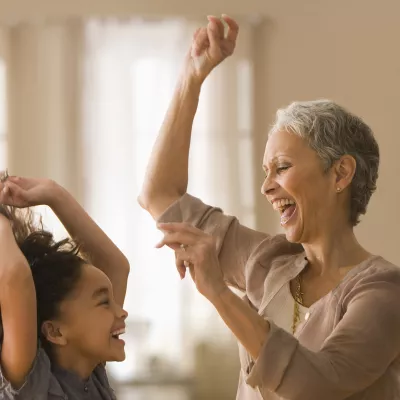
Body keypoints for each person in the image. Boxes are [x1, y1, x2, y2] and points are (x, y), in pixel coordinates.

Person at [139, 14, 400, 400]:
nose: (266, 187)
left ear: (340, 173)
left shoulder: (382, 292)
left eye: (282, 168)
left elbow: (316, 385)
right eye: (265, 172)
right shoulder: (270, 263)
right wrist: (191, 79)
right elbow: (160, 195)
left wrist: (220, 294)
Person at [0, 174, 129, 399]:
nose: (122, 311)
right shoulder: (33, 386)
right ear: (55, 331)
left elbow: (117, 267)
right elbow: (16, 277)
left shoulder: (90, 373)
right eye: (104, 302)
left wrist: (53, 193)